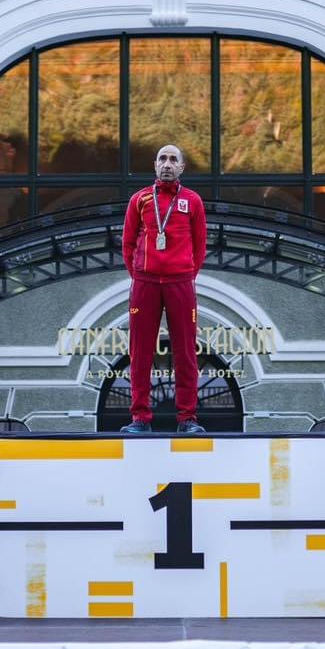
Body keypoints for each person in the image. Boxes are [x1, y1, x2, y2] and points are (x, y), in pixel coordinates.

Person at [120, 144, 207, 434]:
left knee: (185, 351)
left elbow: (200, 244)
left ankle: (187, 419)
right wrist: (141, 275)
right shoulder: (139, 199)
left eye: (173, 160)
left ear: (182, 167)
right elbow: (128, 242)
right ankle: (140, 419)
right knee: (140, 351)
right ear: (155, 165)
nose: (167, 164)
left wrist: (183, 275)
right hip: (145, 283)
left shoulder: (192, 201)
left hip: (180, 282)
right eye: (162, 159)